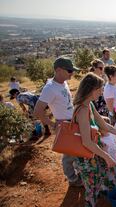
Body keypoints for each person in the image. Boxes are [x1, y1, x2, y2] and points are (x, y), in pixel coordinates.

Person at [72, 73, 116, 207]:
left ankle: (115, 194)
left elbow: (104, 125)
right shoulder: (82, 110)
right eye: (99, 89)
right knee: (92, 187)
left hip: (95, 151)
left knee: (109, 171)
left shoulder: (90, 106)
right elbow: (86, 141)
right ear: (91, 89)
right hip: (86, 157)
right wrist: (106, 156)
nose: (101, 92)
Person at [34, 57, 82, 187]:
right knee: (69, 154)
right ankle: (72, 179)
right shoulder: (49, 88)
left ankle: (78, 173)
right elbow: (37, 111)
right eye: (69, 71)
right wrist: (53, 124)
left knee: (76, 150)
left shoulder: (63, 82)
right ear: (59, 70)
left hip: (72, 122)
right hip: (64, 124)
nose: (72, 73)